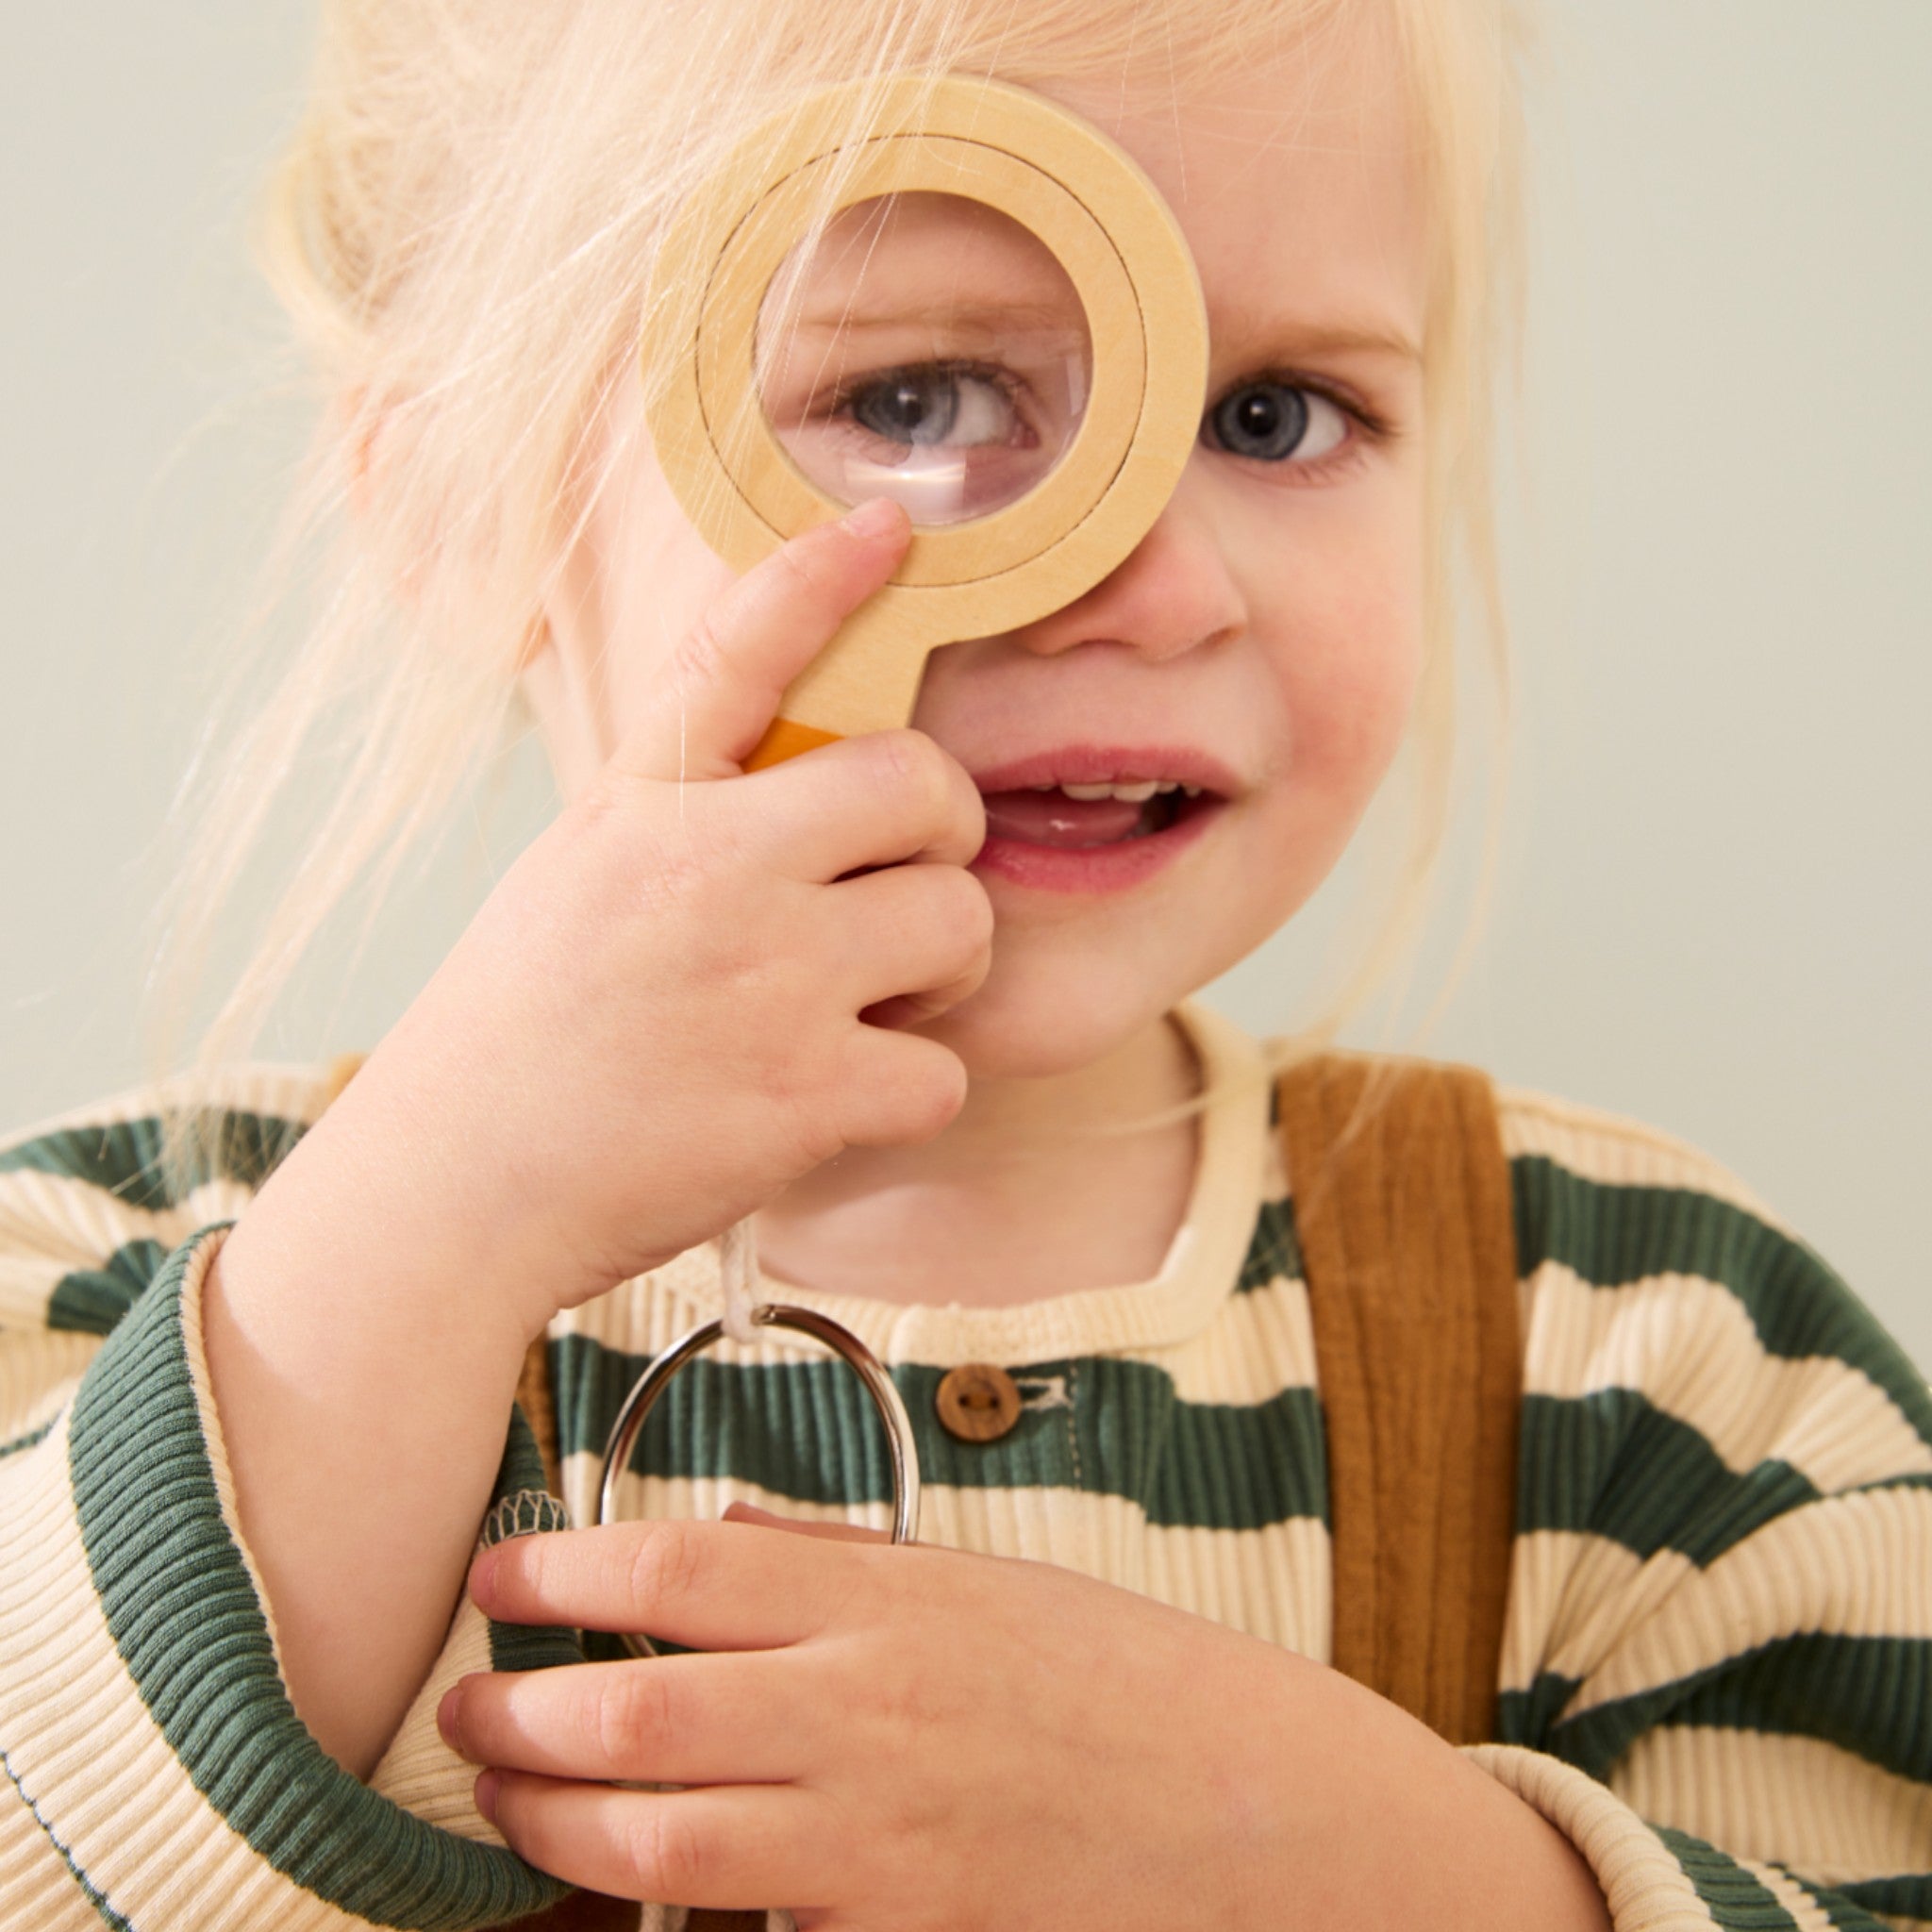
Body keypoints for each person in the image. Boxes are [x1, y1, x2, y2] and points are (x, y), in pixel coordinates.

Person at [1, 1, 1926, 1927]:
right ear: (456, 505)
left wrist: (1390, 1864)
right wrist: (430, 1234)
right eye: (914, 402)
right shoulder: (103, 1281)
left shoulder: (1664, 1372)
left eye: (1276, 415)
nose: (1159, 583)